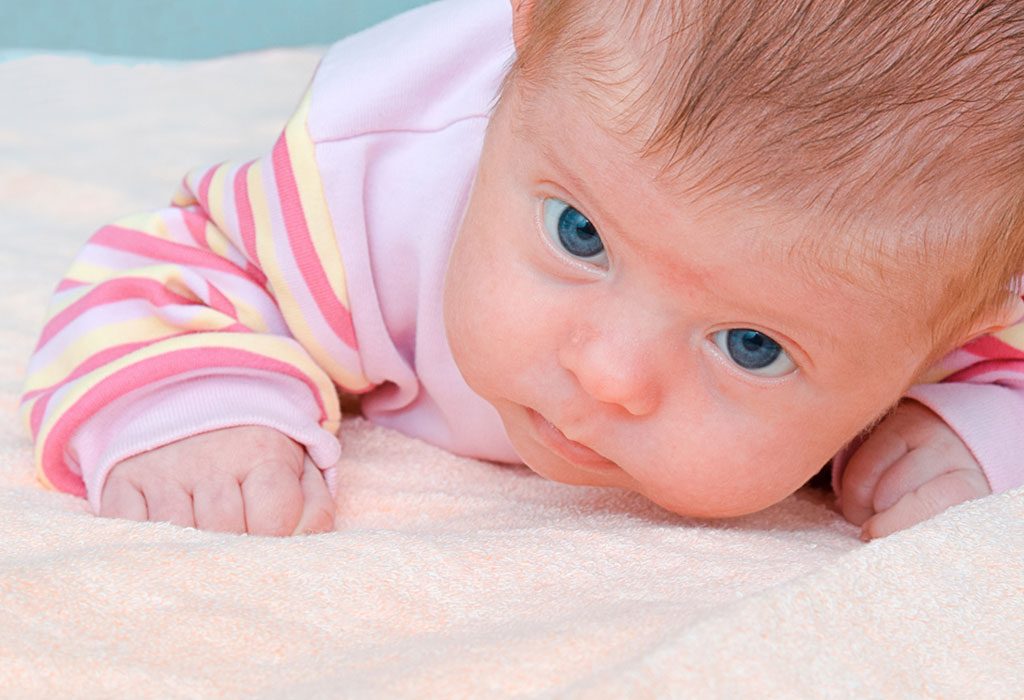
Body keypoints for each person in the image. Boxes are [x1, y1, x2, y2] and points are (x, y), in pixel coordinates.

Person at [21, 0, 1024, 539]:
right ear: (527, 24)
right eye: (579, 237)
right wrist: (191, 405)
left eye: (752, 346)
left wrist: (971, 428)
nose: (607, 376)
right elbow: (176, 264)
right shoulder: (368, 193)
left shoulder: (946, 265)